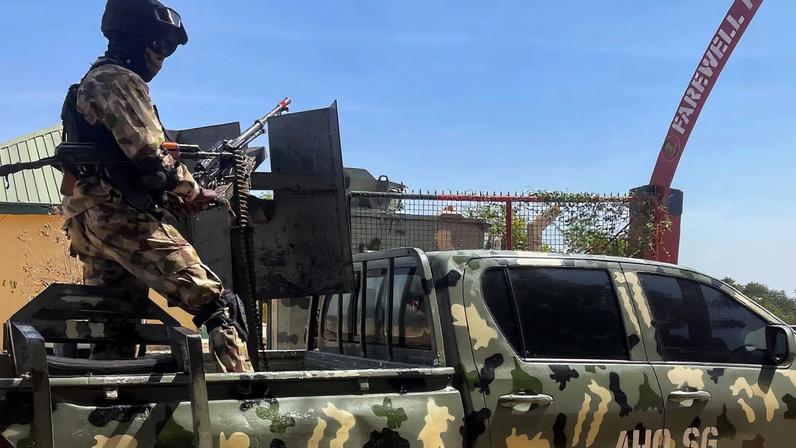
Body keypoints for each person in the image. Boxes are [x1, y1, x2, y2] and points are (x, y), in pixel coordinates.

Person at [59, 0, 253, 373]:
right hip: (119, 218)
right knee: (217, 303)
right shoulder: (120, 80)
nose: (162, 60)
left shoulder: (91, 81)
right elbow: (151, 158)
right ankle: (250, 396)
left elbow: (128, 162)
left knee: (116, 321)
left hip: (90, 221)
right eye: (160, 47)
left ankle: (109, 404)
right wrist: (194, 193)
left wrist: (167, 194)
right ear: (134, 40)